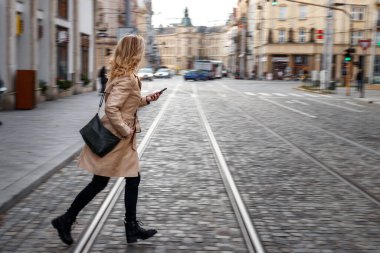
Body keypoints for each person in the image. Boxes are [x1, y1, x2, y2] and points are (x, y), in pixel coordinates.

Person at [52, 34, 161, 245]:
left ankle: (71, 220)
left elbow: (128, 102)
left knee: (111, 181)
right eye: (140, 49)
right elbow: (112, 108)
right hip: (118, 137)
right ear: (134, 53)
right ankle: (69, 220)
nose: (143, 53)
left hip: (118, 136)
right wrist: (125, 130)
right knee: (114, 181)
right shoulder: (127, 78)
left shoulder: (122, 75)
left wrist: (147, 99)